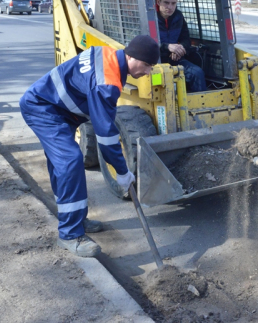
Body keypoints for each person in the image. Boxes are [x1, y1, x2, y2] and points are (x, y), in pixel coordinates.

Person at [19, 35, 160, 258]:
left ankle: (76, 218)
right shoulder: (108, 81)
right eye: (146, 65)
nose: (147, 72)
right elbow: (105, 135)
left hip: (59, 110)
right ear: (131, 56)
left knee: (63, 164)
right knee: (70, 161)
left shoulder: (111, 57)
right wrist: (122, 172)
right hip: (43, 109)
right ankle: (70, 235)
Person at [156, 0, 207, 92]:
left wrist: (179, 49)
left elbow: (186, 39)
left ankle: (201, 106)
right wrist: (168, 47)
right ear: (158, 1)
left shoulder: (178, 17)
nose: (170, 7)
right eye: (166, 2)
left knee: (197, 73)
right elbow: (146, 44)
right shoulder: (150, 17)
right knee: (156, 81)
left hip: (175, 59)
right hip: (155, 62)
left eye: (173, 3)